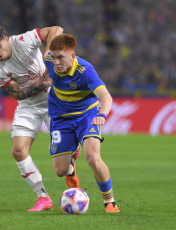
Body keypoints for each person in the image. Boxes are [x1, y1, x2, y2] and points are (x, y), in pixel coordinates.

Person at [0, 25, 65, 212]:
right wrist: (42, 84)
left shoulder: (23, 41)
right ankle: (43, 197)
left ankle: (71, 175)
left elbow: (56, 29)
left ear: (6, 39)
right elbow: (18, 94)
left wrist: (48, 54)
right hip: (29, 105)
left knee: (63, 162)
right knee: (18, 151)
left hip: (55, 100)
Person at [44, 34, 120, 213]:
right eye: (54, 57)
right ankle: (71, 165)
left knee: (93, 158)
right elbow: (46, 57)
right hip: (60, 118)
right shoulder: (48, 59)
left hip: (87, 116)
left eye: (60, 57)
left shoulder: (85, 70)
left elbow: (106, 96)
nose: (56, 62)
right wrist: (43, 80)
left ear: (72, 56)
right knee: (60, 170)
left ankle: (109, 202)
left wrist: (102, 114)